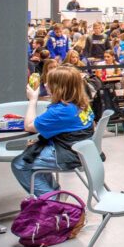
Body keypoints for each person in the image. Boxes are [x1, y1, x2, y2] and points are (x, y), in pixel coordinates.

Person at [12, 65, 94, 195]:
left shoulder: (61, 110)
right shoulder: (81, 104)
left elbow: (29, 126)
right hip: (81, 151)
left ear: (59, 87)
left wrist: (33, 99)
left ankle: (51, 198)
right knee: (36, 160)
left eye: (49, 82)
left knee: (20, 164)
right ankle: (55, 193)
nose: (45, 84)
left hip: (67, 155)